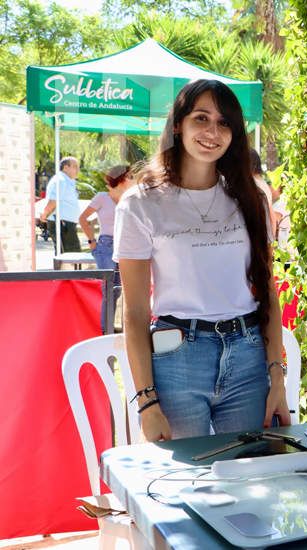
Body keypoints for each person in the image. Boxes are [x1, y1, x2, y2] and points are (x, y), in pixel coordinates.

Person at [114, 79, 289, 441]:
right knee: (184, 479)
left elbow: (267, 291)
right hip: (177, 356)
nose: (213, 132)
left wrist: (277, 378)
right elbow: (132, 313)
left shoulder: (251, 197)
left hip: (247, 354)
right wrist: (147, 403)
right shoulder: (140, 203)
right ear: (178, 124)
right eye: (201, 118)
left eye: (224, 123)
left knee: (251, 474)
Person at [78, 165, 134, 332]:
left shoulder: (130, 198)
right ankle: (105, 330)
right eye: (130, 176)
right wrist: (92, 242)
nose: (132, 179)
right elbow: (83, 219)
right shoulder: (102, 197)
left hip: (125, 246)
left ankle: (111, 329)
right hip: (106, 245)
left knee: (118, 291)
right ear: (122, 179)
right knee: (109, 290)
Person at [39, 156, 82, 253]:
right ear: (66, 167)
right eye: (75, 166)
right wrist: (45, 214)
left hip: (66, 223)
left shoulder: (67, 180)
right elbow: (53, 201)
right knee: (68, 255)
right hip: (62, 223)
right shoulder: (60, 180)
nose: (78, 170)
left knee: (72, 254)